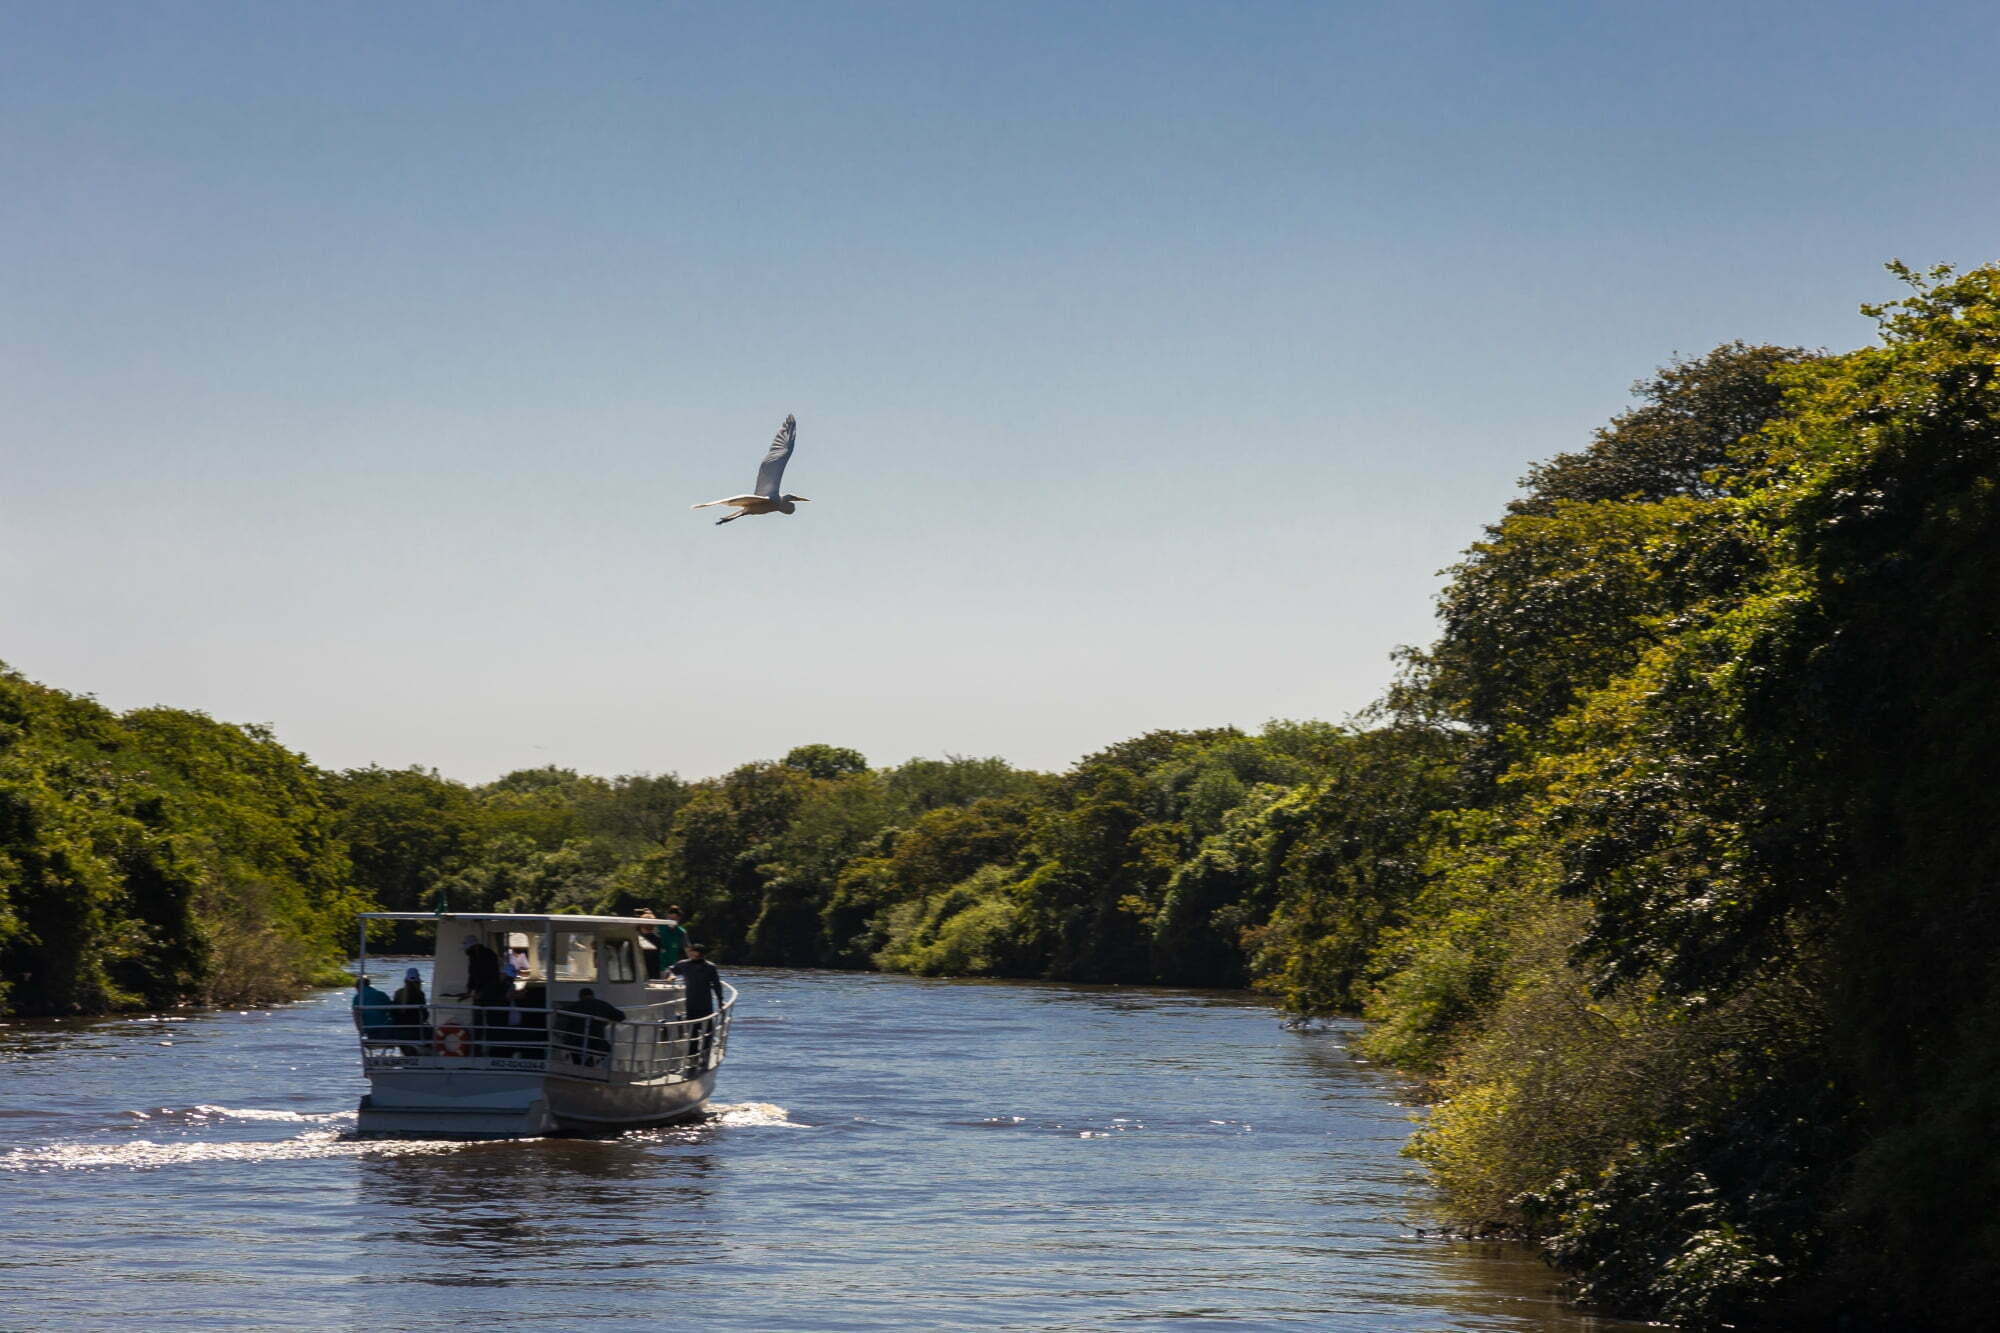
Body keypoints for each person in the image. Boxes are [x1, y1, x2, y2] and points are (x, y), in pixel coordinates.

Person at [668, 945, 725, 1070]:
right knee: (692, 1031)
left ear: (703, 954)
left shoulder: (710, 967)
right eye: (694, 952)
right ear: (691, 952)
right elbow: (672, 970)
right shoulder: (683, 964)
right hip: (691, 1004)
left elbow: (716, 984)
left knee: (707, 1031)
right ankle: (692, 1058)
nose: (696, 955)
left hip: (706, 1004)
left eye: (699, 953)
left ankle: (705, 1055)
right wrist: (671, 976)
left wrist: (720, 1000)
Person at [558, 987, 626, 1066]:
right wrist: (607, 1019)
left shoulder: (574, 1006)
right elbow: (621, 1016)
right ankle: (589, 1064)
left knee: (569, 1045)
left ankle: (577, 1064)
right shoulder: (602, 1005)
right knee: (607, 1048)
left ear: (580, 996)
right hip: (596, 1042)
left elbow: (561, 1013)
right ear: (593, 995)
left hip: (576, 1041)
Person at [390, 967, 429, 1056]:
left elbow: (393, 1012)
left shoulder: (398, 993)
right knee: (431, 1032)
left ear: (405, 981)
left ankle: (409, 1053)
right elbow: (424, 1015)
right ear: (418, 982)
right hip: (415, 1030)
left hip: (399, 1030)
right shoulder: (420, 994)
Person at [351, 975, 395, 1039]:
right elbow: (392, 1010)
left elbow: (357, 1017)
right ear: (369, 984)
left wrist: (361, 1033)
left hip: (370, 1031)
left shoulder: (357, 998)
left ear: (357, 987)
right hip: (386, 1029)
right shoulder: (381, 994)